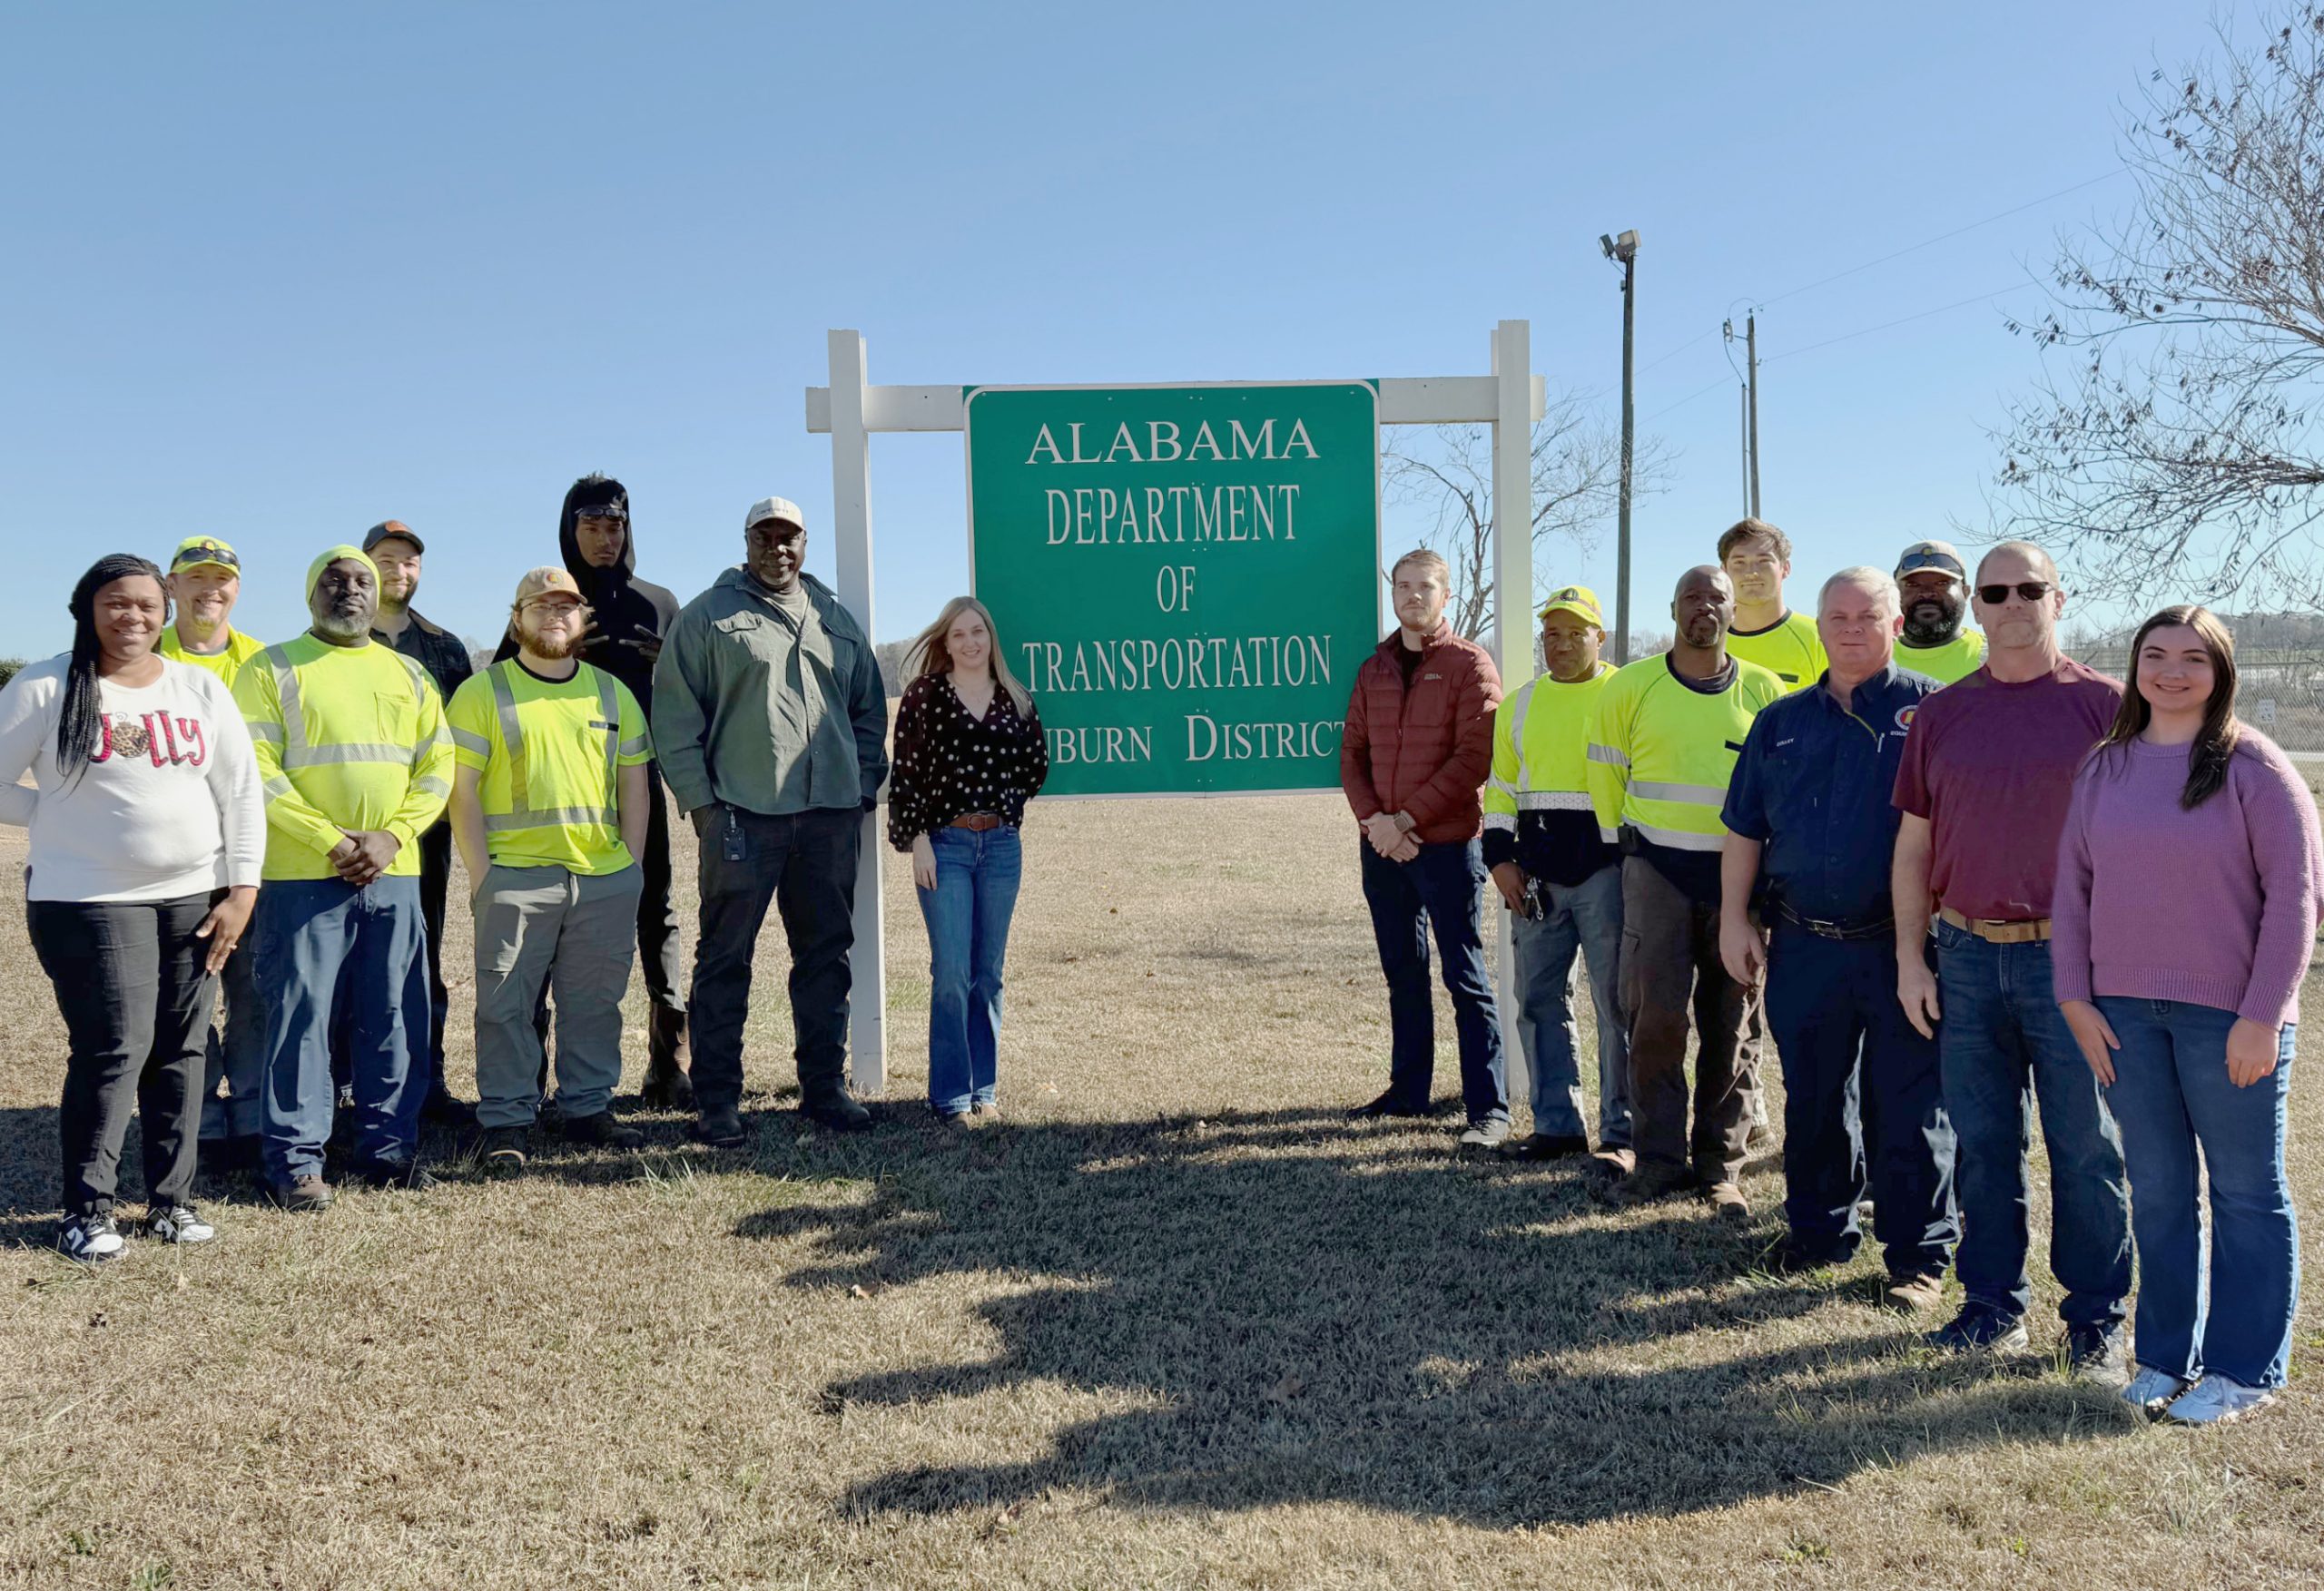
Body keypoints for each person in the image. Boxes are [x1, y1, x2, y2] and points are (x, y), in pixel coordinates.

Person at [2053, 605, 2319, 1424]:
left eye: (2193, 658)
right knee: (2161, 1190)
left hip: (2230, 1018)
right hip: (2125, 1014)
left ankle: (2244, 1369)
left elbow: (2297, 899)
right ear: (2135, 666)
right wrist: (2074, 997)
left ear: (2221, 671)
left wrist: (2262, 1014)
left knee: (2245, 1192)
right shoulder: (2104, 768)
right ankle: (2167, 1356)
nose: (2173, 671)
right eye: (2156, 655)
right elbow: (2073, 891)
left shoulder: (2254, 767)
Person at [1891, 540, 2132, 1372]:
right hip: (1961, 952)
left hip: (2071, 962)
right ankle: (1992, 1306)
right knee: (1985, 1144)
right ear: (1978, 608)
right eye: (1996, 591)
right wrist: (1909, 958)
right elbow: (1914, 847)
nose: (2013, 601)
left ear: (2058, 600)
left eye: (2031, 587)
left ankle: (2097, 1320)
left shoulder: (2109, 707)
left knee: (2085, 1144)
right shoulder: (1942, 714)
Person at [0, 555, 261, 1259]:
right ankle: (87, 1211)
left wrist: (242, 889)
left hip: (193, 898)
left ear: (165, 610)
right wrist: (51, 813)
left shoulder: (198, 688)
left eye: (147, 604)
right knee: (115, 1049)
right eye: (117, 603)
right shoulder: (48, 685)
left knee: (181, 1048)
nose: (133, 616)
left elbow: (240, 792)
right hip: (87, 899)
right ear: (88, 607)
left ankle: (171, 1202)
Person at [1720, 568, 1957, 1305]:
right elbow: (1743, 828)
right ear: (1817, 626)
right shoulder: (1781, 720)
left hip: (1901, 945)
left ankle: (1918, 1255)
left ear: (1894, 624)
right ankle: (1820, 1229)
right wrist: (1735, 916)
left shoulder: (1934, 714)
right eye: (1838, 616)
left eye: (1868, 615)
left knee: (1912, 1101)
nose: (1852, 628)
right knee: (1817, 1096)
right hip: (1804, 943)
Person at [655, 496, 890, 1144]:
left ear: (805, 544)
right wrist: (702, 805)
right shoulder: (709, 616)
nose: (778, 548)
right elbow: (674, 718)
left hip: (828, 821)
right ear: (747, 540)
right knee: (725, 960)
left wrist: (863, 785)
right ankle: (719, 1101)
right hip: (742, 819)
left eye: (790, 537)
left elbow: (870, 710)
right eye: (766, 536)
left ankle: (824, 1088)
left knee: (825, 957)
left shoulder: (834, 619)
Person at [234, 545, 453, 1209]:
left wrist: (393, 836)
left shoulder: (410, 673)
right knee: (302, 1016)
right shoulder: (270, 668)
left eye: (362, 579)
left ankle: (387, 1147)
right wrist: (330, 839)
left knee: (393, 1013)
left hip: (395, 873)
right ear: (311, 594)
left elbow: (437, 766)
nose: (349, 589)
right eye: (334, 579)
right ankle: (296, 1161)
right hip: (304, 873)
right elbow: (256, 768)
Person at [1587, 565, 1785, 1216]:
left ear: (1735, 609)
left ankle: (1719, 1166)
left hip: (1741, 883)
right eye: (1693, 596)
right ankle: (1659, 1160)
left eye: (1717, 597)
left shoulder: (1764, 689)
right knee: (1655, 1019)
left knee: (1734, 1024)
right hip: (1656, 875)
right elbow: (1606, 778)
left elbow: (1776, 794)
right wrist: (1634, 851)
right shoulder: (1633, 686)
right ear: (1673, 606)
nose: (1705, 606)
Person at [448, 568, 654, 1176]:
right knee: (505, 1007)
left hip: (602, 879)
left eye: (566, 606)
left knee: (595, 1003)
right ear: (518, 619)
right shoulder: (483, 692)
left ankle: (587, 1106)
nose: (554, 616)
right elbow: (461, 793)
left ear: (581, 618)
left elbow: (635, 786)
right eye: (540, 607)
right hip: (515, 878)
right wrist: (484, 876)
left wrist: (631, 869)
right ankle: (508, 1119)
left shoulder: (612, 694)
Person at [498, 476, 691, 1106]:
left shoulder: (661, 603)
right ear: (569, 528)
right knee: (551, 926)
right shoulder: (546, 605)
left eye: (617, 526)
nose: (606, 538)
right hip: (556, 797)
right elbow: (504, 687)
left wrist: (671, 665)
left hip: (639, 785)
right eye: (592, 526)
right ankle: (532, 1076)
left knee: (655, 915)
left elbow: (699, 695)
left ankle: (671, 1065)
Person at [1340, 548, 1510, 1146]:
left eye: (1425, 587)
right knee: (1402, 972)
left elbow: (1474, 758)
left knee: (1464, 973)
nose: (1413, 596)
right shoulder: (1373, 669)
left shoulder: (1469, 665)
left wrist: (1408, 817)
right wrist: (1375, 822)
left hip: (1446, 846)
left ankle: (1488, 1108)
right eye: (1403, 586)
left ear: (1446, 594)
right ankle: (1408, 1092)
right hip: (1382, 848)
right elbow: (1351, 756)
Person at [1482, 584, 1630, 1166]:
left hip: (1608, 875)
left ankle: (1622, 1133)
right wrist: (1500, 858)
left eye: (1575, 633)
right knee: (1539, 1001)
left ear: (1601, 637)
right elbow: (1501, 788)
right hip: (1537, 880)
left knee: (1618, 1006)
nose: (1562, 644)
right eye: (1552, 634)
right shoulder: (1518, 704)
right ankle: (1558, 1126)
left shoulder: (1627, 692)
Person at [887, 596, 1049, 1123]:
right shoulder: (925, 697)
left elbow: (1035, 768)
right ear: (945, 641)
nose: (970, 642)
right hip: (946, 847)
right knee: (952, 971)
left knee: (989, 972)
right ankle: (952, 1096)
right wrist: (918, 842)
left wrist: (1005, 810)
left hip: (1000, 848)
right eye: (958, 634)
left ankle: (986, 1091)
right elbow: (906, 775)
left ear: (991, 637)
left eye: (978, 631)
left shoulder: (1015, 699)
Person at [153, 535, 270, 1171]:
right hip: (175, 862)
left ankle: (251, 1113)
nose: (210, 589)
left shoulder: (263, 664)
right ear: (171, 587)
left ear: (237, 588)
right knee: (183, 995)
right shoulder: (144, 655)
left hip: (248, 861)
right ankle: (199, 1113)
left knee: (253, 993)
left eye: (221, 578)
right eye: (196, 578)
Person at [361, 519, 475, 1126]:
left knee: (420, 960)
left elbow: (454, 748)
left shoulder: (445, 649)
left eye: (408, 561)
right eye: (385, 558)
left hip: (423, 838)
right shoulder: (335, 640)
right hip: (346, 836)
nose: (397, 570)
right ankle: (347, 1091)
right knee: (349, 964)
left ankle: (427, 1086)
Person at [1719, 518, 1827, 692]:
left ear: (1785, 568)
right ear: (1723, 570)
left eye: (1763, 561)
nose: (1751, 573)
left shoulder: (1821, 639)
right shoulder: (1709, 644)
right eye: (1739, 562)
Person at [1893, 541, 1987, 683]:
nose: (1926, 593)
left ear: (1965, 592)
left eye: (1942, 583)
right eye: (1913, 584)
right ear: (1893, 595)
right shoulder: (1872, 660)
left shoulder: (1994, 658)